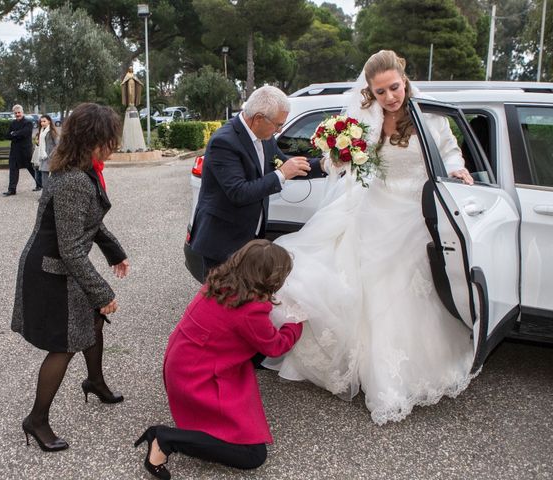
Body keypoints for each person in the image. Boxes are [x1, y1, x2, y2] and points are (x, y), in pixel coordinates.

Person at [263, 50, 476, 425]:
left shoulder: (430, 116)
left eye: (394, 87)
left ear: (404, 80)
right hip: (373, 206)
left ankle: (402, 371)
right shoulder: (363, 117)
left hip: (414, 210)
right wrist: (340, 158)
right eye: (381, 92)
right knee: (367, 281)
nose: (390, 97)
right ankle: (366, 370)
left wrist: (458, 170)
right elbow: (333, 161)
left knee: (405, 283)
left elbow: (450, 152)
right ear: (371, 92)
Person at [11, 103, 130, 451]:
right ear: (93, 140)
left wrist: (115, 252)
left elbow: (89, 223)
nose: (113, 145)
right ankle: (36, 419)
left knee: (91, 324)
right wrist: (102, 292)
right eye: (109, 139)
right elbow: (71, 249)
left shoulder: (80, 169)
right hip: (50, 271)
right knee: (63, 345)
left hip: (61, 265)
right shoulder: (74, 181)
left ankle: (94, 382)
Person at [135, 239, 303, 479]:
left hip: (183, 362)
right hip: (197, 376)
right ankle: (165, 439)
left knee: (231, 429)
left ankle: (173, 437)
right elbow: (276, 346)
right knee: (254, 456)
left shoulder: (220, 281)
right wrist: (296, 323)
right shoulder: (251, 309)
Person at [188, 85, 326, 281]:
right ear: (259, 118)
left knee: (244, 301)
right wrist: (280, 174)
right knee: (223, 304)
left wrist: (323, 165)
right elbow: (239, 192)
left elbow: (286, 165)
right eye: (278, 125)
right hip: (222, 242)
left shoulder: (266, 137)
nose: (279, 130)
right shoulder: (224, 142)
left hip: (249, 238)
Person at [3, 104, 39, 196]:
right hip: (14, 151)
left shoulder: (28, 123)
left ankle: (40, 184)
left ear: (22, 112)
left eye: (19, 112)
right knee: (13, 169)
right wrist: (16, 134)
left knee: (31, 168)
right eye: (16, 113)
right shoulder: (13, 123)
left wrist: (14, 133)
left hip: (25, 150)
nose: (17, 114)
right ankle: (12, 189)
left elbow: (25, 133)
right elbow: (7, 135)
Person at [35, 114, 59, 191]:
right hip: (43, 157)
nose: (42, 123)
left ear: (49, 121)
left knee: (54, 176)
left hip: (51, 157)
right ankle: (46, 195)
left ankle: (52, 194)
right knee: (44, 177)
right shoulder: (41, 131)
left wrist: (52, 154)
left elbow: (58, 145)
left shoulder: (51, 132)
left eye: (44, 121)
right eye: (41, 121)